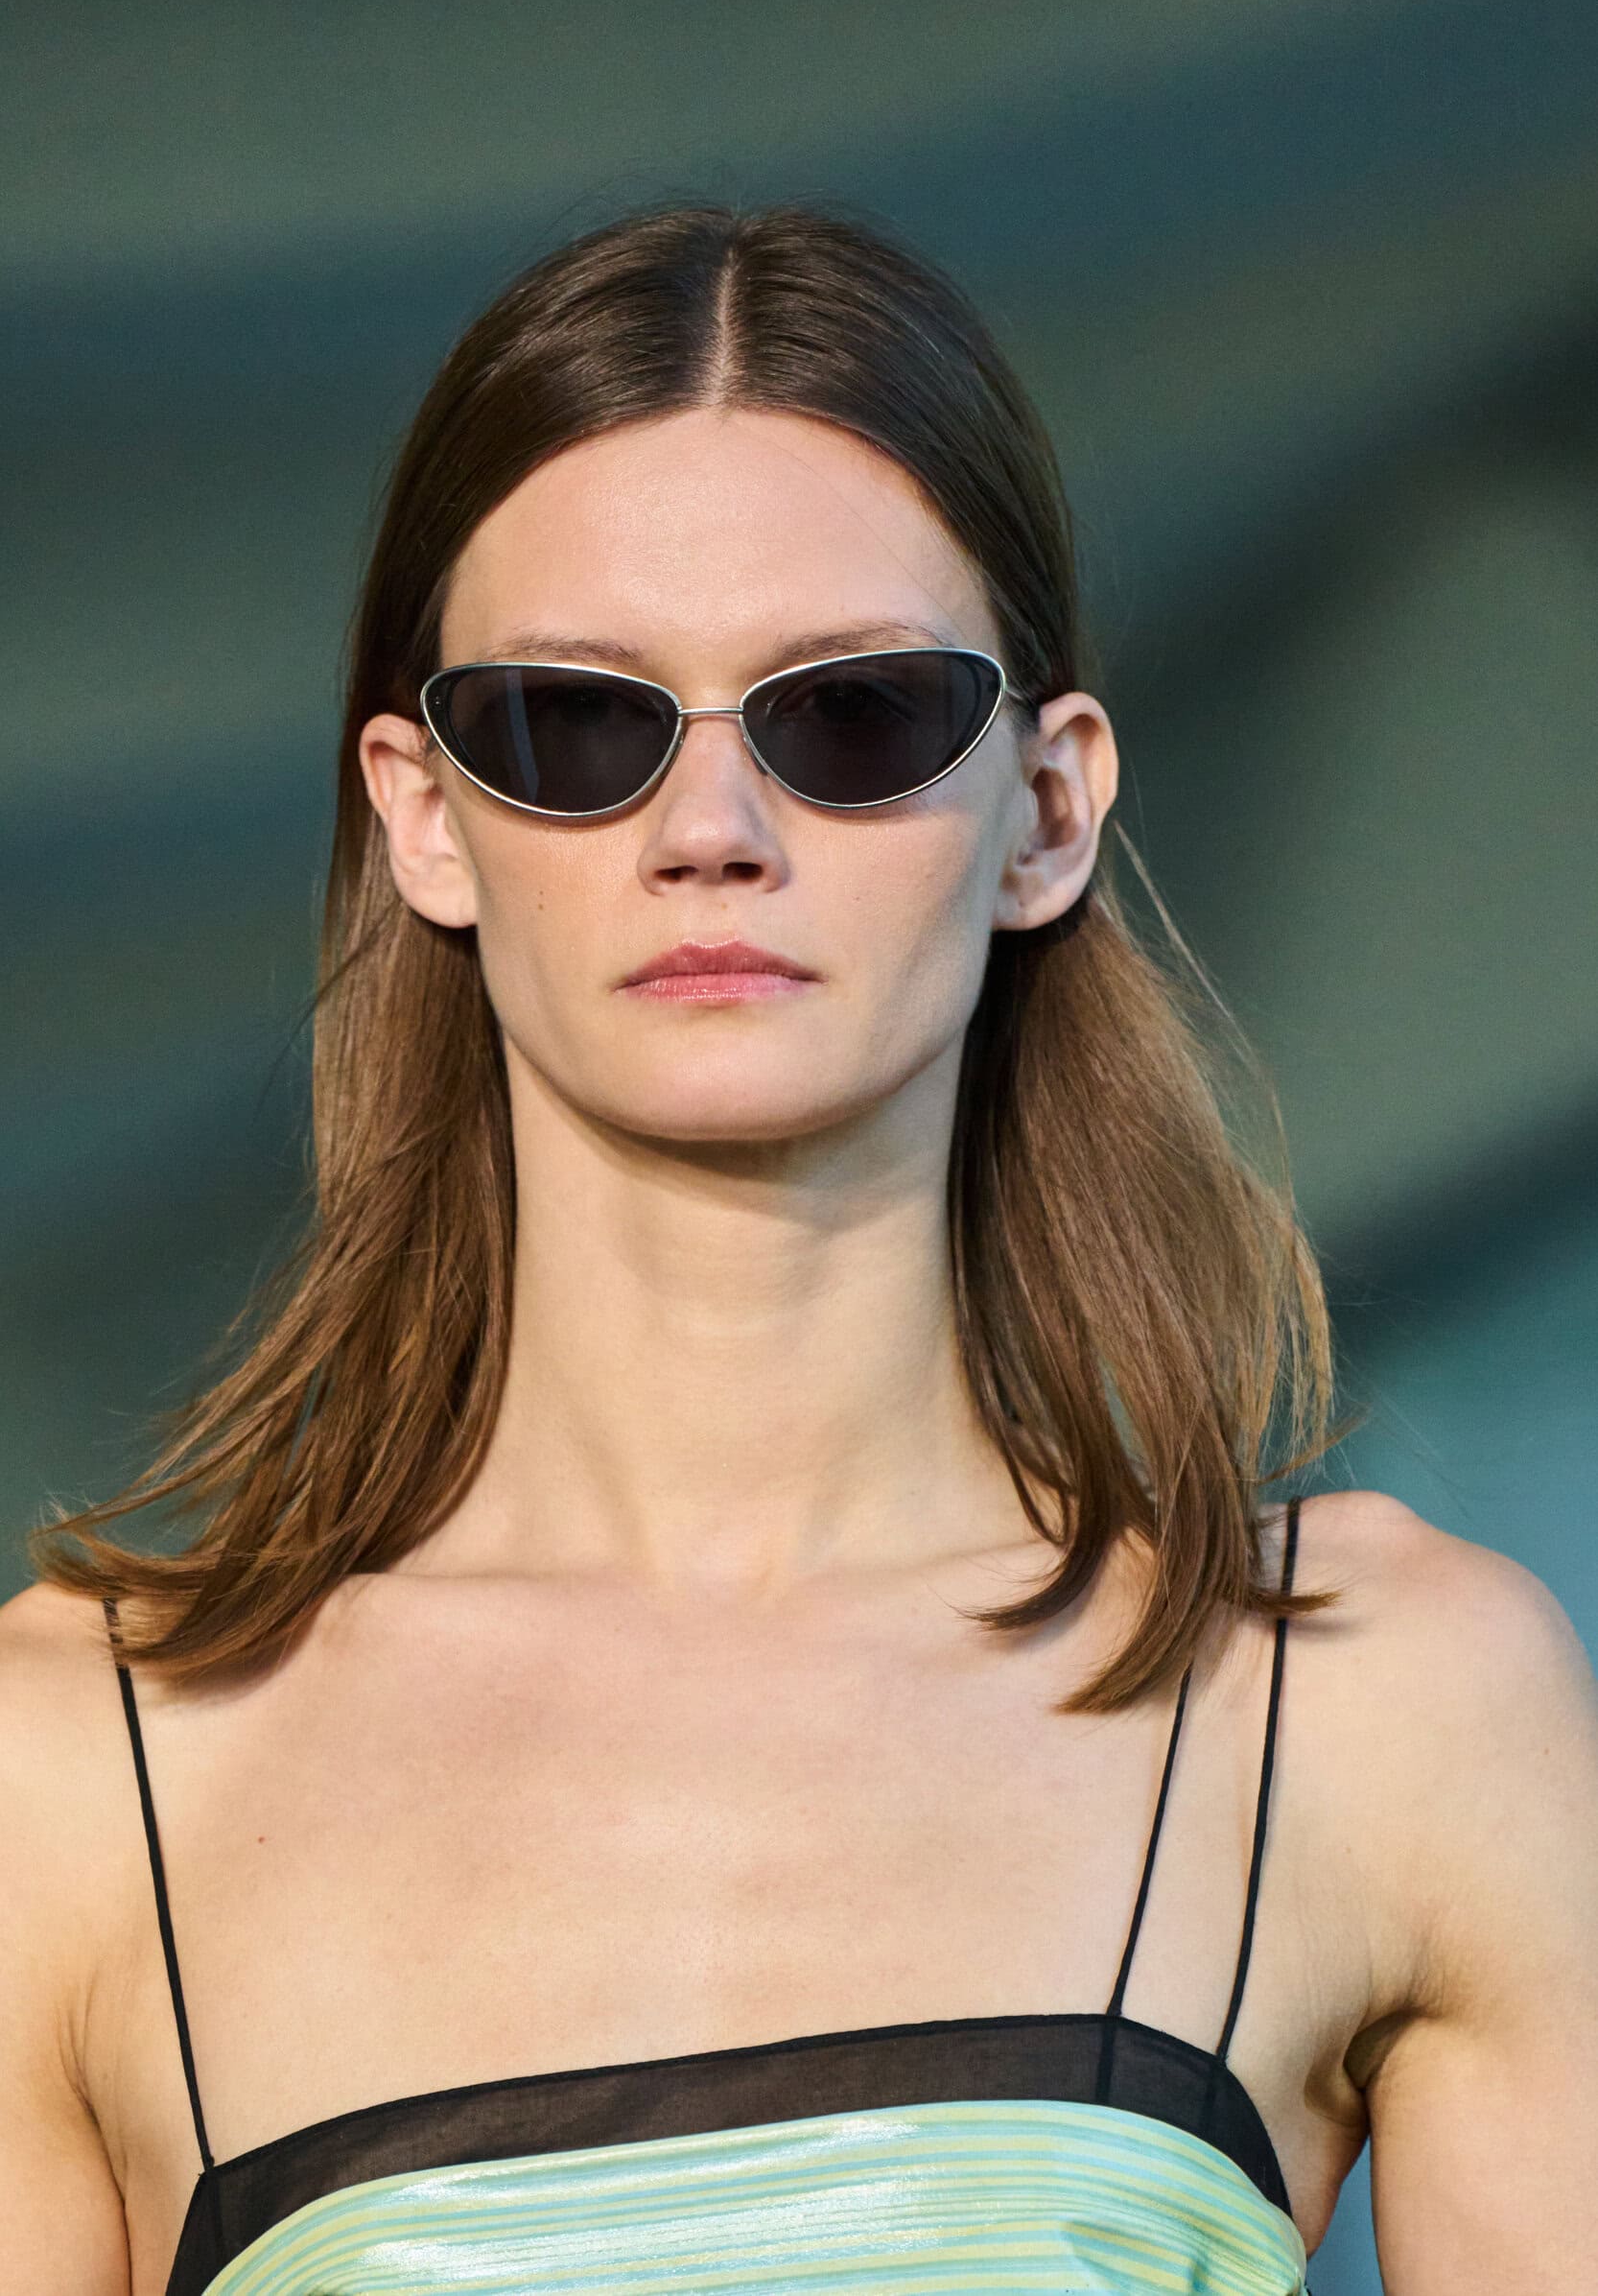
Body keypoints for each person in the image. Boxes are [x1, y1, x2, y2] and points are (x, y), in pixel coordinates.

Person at [3, 202, 1595, 2296]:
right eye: (574, 723)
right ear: (422, 812)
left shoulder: (1374, 1707)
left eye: (849, 715)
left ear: (1046, 807)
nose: (710, 829)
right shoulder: (84, 1773)